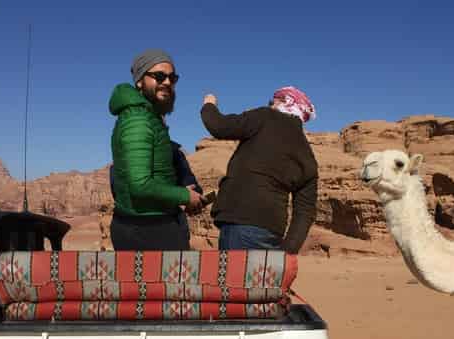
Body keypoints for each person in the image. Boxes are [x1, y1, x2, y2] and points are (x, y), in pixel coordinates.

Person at [200, 86, 318, 253]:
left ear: (284, 102)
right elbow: (305, 211)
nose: (269, 104)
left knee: (233, 278)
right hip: (272, 232)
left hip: (241, 224)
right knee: (258, 279)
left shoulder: (265, 117)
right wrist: (288, 251)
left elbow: (219, 126)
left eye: (273, 100)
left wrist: (209, 104)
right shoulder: (308, 156)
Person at [108, 49, 203, 251]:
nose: (167, 82)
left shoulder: (147, 117)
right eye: (159, 76)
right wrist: (184, 196)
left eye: (172, 77)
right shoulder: (138, 120)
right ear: (140, 81)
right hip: (147, 231)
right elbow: (140, 185)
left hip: (152, 225)